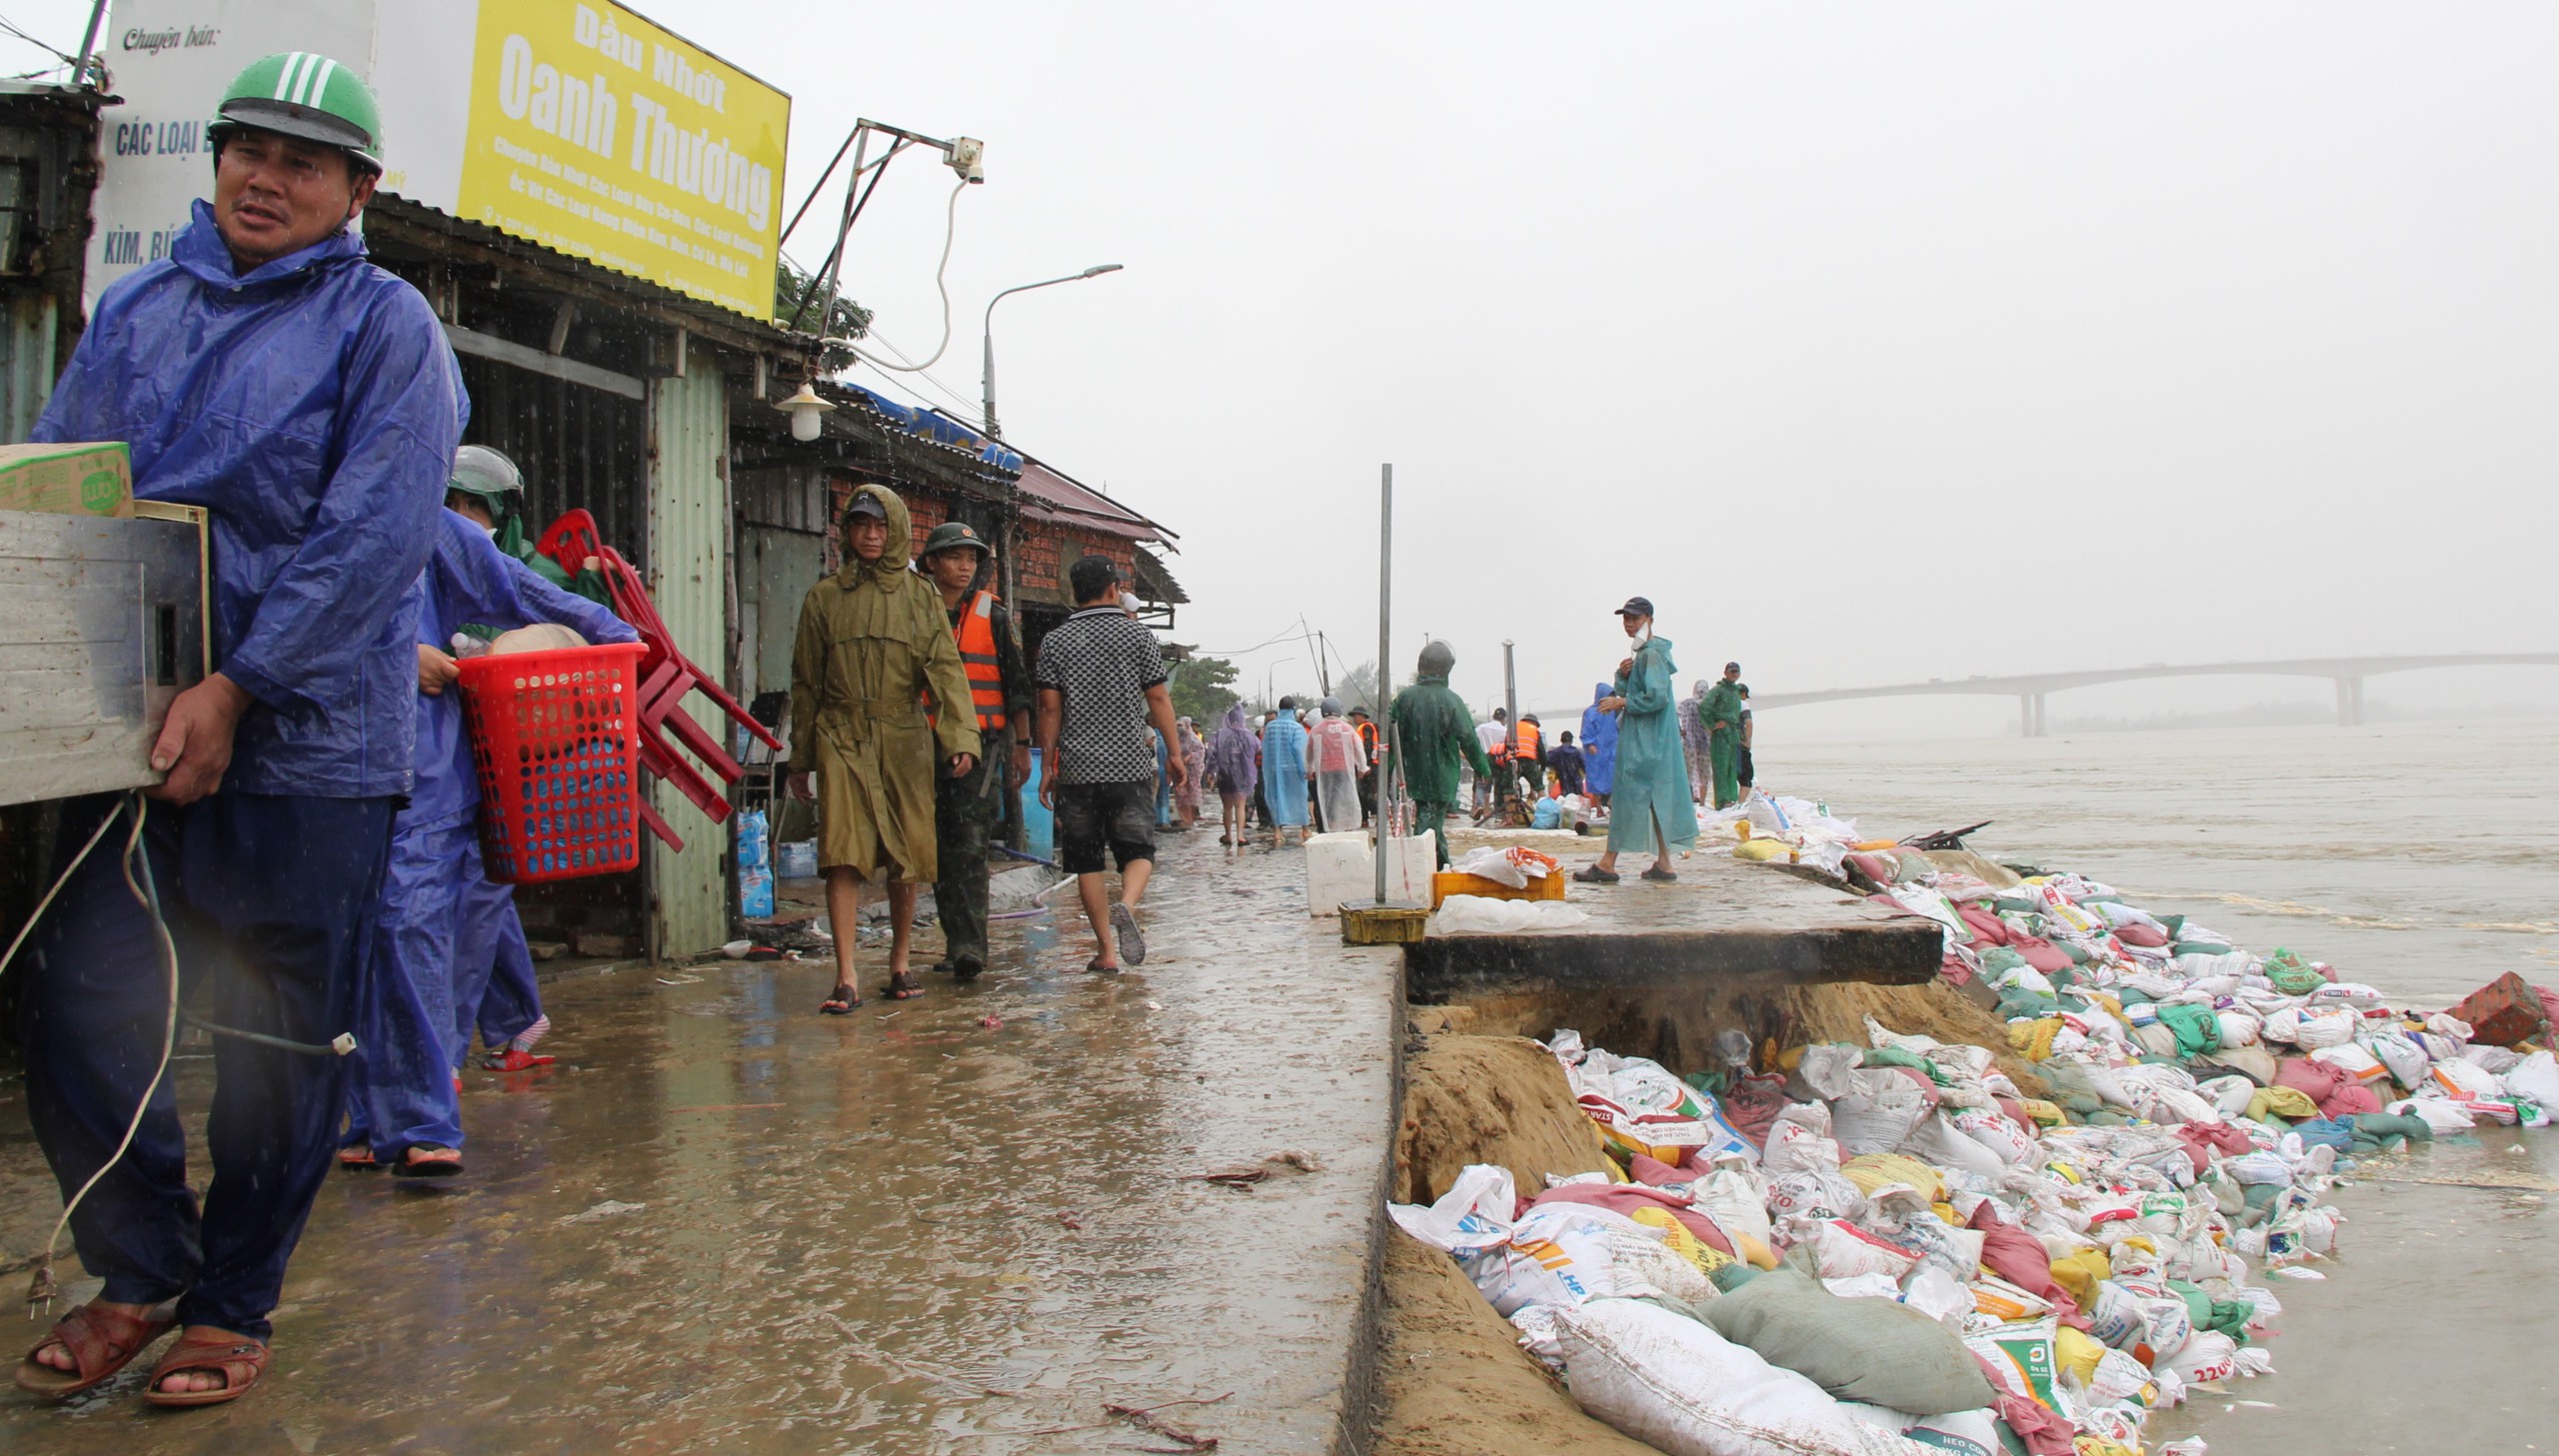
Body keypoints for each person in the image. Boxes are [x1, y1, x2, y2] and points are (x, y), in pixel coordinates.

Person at [15, 52, 463, 1408]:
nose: (265, 177)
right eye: (245, 149)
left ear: (357, 191)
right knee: (77, 995)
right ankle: (139, 1265)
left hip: (309, 740)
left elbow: (374, 538)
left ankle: (234, 1301)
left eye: (302, 160)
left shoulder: (387, 329)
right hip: (128, 735)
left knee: (278, 1035)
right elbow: (62, 492)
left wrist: (243, 685)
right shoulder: (136, 308)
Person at [339, 493, 635, 1179]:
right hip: (323, 762)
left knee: (410, 932)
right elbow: (272, 619)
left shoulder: (419, 520)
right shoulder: (299, 505)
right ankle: (366, 1113)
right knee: (346, 944)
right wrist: (390, 655)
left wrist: (609, 634)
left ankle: (418, 1117)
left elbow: (520, 588)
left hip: (422, 771)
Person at [788, 486, 981, 1009]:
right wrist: (799, 758)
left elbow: (945, 669)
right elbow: (806, 681)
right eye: (860, 525)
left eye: (880, 526)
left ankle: (899, 963)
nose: (871, 536)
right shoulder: (824, 598)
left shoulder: (921, 598)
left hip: (903, 736)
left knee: (907, 854)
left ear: (895, 529)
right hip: (840, 734)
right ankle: (846, 976)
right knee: (841, 855)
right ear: (847, 532)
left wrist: (960, 736)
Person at [1035, 555, 1185, 972]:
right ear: (1114, 590)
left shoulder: (1055, 641)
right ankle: (1128, 903)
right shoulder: (1138, 637)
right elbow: (1157, 698)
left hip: (1078, 768)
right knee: (1138, 850)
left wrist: (1048, 766)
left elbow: (1049, 709)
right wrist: (1173, 753)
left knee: (1085, 861)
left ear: (1073, 592)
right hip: (1129, 765)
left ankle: (1105, 951)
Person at [916, 521, 1033, 983]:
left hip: (981, 748)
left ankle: (969, 947)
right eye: (955, 557)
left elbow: (1016, 687)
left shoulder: (995, 617)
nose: (965, 567)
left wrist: (1021, 746)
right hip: (920, 744)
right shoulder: (913, 612)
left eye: (971, 559)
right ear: (932, 563)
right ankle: (952, 941)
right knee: (932, 849)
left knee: (968, 846)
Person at [1575, 598, 1699, 883]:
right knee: (1654, 801)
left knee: (1627, 796)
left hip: (1645, 743)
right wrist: (1623, 676)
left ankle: (1608, 863)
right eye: (1626, 619)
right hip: (1652, 740)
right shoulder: (1644, 655)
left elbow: (1657, 697)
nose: (1629, 624)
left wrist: (1622, 702)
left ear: (1649, 620)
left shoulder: (1651, 656)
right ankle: (1665, 863)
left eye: (1635, 618)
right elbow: (1643, 691)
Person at [442, 444, 608, 604]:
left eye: (474, 504)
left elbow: (584, 622)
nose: (459, 515)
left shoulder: (534, 575)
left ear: (503, 513)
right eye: (449, 505)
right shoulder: (428, 571)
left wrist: (592, 579)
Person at [1387, 642, 1494, 866]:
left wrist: (1384, 774)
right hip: (1442, 777)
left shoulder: (1404, 698)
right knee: (1428, 829)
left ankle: (1443, 869)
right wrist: (1483, 769)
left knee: (1432, 826)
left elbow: (1391, 740)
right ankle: (1426, 871)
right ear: (1447, 668)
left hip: (1415, 775)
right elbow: (1468, 739)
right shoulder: (1451, 700)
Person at [1306, 697, 1369, 832]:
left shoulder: (1316, 730)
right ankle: (1347, 826)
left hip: (1324, 771)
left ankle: (1325, 827)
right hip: (1344, 770)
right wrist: (1362, 767)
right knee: (1345, 796)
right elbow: (1358, 748)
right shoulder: (1347, 728)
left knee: (1324, 799)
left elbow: (1309, 752)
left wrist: (1309, 770)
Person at [1207, 703, 1261, 847]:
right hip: (1243, 773)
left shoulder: (1219, 734)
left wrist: (1211, 772)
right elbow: (1258, 748)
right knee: (1240, 805)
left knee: (1227, 806)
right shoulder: (1249, 735)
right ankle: (1241, 836)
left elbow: (1212, 754)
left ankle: (1228, 835)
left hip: (1225, 773)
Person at [1261, 696, 1310, 844]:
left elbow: (1266, 749)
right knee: (1299, 797)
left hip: (1274, 769)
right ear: (1293, 709)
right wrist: (1305, 770)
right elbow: (1299, 750)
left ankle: (1277, 831)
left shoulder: (1270, 727)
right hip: (1293, 769)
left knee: (1276, 798)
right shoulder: (1296, 727)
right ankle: (1305, 829)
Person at [1698, 661, 1746, 810]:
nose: (1734, 674)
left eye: (1736, 672)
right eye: (1731, 671)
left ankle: (1731, 798)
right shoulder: (1718, 690)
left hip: (1733, 732)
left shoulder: (1735, 691)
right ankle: (1722, 800)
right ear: (1725, 673)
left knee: (1732, 767)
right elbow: (1704, 706)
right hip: (1721, 733)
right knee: (1721, 766)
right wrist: (1712, 725)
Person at [1579, 683, 1619, 808]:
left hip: (1612, 749)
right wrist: (1589, 743)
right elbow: (1586, 729)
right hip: (1596, 750)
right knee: (1596, 777)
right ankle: (1598, 807)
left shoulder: (1613, 712)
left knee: (1614, 776)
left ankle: (1611, 801)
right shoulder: (1591, 712)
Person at [1680, 679, 1714, 804]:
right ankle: (1702, 801)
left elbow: (1676, 716)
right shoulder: (1710, 706)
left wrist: (1680, 730)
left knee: (1691, 770)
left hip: (1689, 743)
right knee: (1704, 772)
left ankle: (1693, 798)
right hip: (1705, 744)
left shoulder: (1686, 704)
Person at [1348, 706, 1382, 821]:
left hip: (1369, 765)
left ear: (1362, 716)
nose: (1354, 718)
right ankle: (1364, 818)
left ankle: (1378, 810)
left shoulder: (1366, 728)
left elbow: (1367, 748)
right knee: (1362, 793)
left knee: (1363, 793)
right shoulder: (1361, 728)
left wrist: (1364, 767)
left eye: (1356, 716)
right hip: (1366, 764)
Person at [1472, 708, 1509, 811]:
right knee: (1498, 786)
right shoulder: (1504, 730)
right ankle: (1498, 812)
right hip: (1498, 759)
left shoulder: (1481, 728)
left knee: (1483, 784)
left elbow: (1473, 738)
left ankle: (1481, 807)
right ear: (1504, 719)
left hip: (1483, 758)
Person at [1174, 717, 1208, 829]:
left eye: (1181, 725)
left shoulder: (1194, 738)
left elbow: (1201, 751)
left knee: (1191, 795)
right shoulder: (1177, 738)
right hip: (1179, 769)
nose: (1179, 728)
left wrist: (1190, 757)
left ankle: (1191, 819)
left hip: (1193, 771)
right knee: (1181, 794)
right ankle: (1185, 819)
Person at [1547, 728, 1586, 798]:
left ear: (1561, 740)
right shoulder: (1578, 752)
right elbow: (1585, 766)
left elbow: (1548, 762)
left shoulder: (1555, 752)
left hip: (1564, 786)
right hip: (1577, 786)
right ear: (1571, 740)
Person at [1513, 714, 1543, 800]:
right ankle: (1544, 810)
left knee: (1508, 789)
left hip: (1513, 761)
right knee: (1539, 787)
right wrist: (1542, 769)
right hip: (1529, 761)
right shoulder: (1534, 731)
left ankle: (1507, 812)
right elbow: (1542, 754)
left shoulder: (1512, 729)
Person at [1736, 685, 1757, 792]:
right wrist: (1747, 742)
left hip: (1724, 744)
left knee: (1731, 776)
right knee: (1747, 777)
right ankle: (1740, 803)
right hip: (1740, 744)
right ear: (1743, 693)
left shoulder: (1723, 705)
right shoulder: (1743, 704)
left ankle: (1729, 802)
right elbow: (1748, 723)